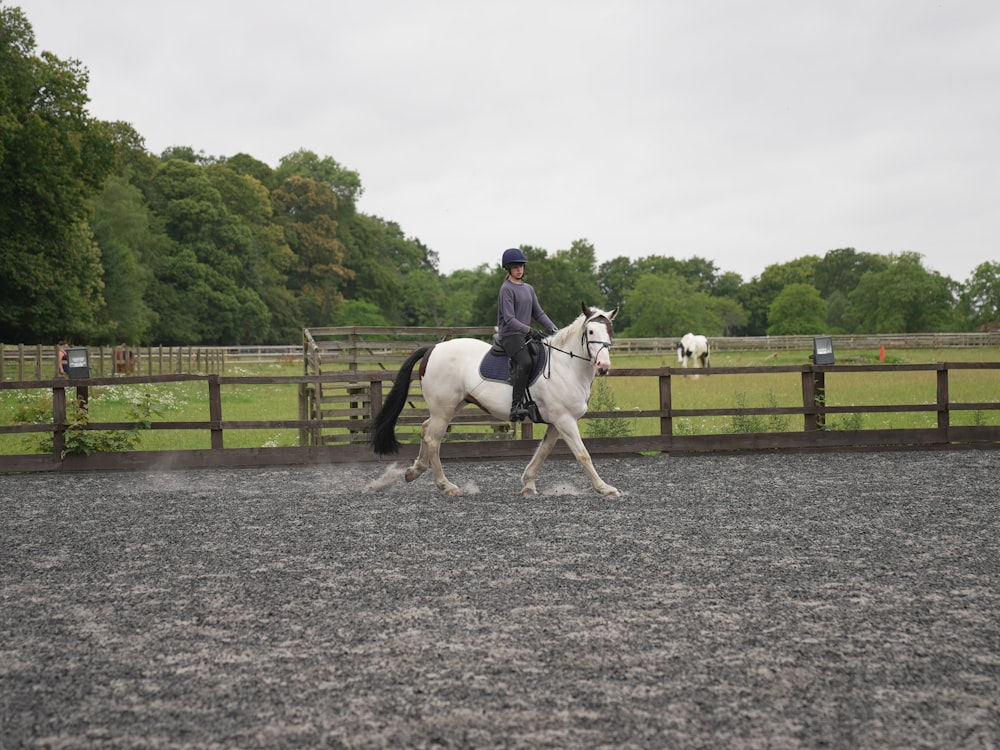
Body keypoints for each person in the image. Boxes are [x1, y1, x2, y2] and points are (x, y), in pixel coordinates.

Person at [496, 247, 558, 422]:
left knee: (544, 358)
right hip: (510, 335)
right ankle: (515, 407)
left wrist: (554, 330)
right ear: (508, 268)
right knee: (525, 361)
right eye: (515, 267)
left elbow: (538, 313)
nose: (519, 269)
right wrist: (530, 330)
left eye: (521, 266)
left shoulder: (528, 289)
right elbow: (509, 319)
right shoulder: (506, 289)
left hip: (524, 334)